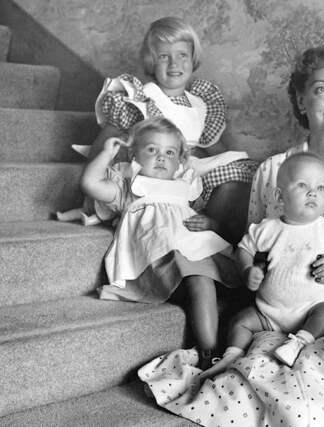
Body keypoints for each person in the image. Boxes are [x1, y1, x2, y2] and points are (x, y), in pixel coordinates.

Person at [138, 45, 324, 426]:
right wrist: (250, 273)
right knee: (251, 373)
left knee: (315, 373)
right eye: (321, 89)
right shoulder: (272, 172)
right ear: (302, 101)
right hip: (280, 312)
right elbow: (257, 251)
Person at [59, 17, 255, 242]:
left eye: (182, 55)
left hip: (185, 174)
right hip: (154, 173)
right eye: (164, 57)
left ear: (193, 58)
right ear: (151, 62)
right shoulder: (142, 98)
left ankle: (207, 229)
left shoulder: (200, 102)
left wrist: (225, 162)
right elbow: (105, 144)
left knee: (236, 172)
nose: (174, 64)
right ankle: (182, 230)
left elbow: (215, 149)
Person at [81, 116, 237, 363]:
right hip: (159, 261)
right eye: (152, 150)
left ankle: (223, 346)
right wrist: (105, 155)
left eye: (170, 152)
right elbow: (90, 183)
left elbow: (202, 219)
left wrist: (210, 224)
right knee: (201, 281)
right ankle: (210, 352)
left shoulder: (184, 188)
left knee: (220, 282)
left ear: (179, 162)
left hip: (195, 251)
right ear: (134, 155)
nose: (161, 157)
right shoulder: (128, 188)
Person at [202, 153, 324, 378]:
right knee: (239, 321)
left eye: (320, 187)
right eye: (303, 185)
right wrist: (247, 270)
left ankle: (299, 342)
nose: (313, 192)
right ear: (280, 196)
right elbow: (243, 250)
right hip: (269, 311)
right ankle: (231, 355)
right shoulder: (267, 229)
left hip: (312, 305)